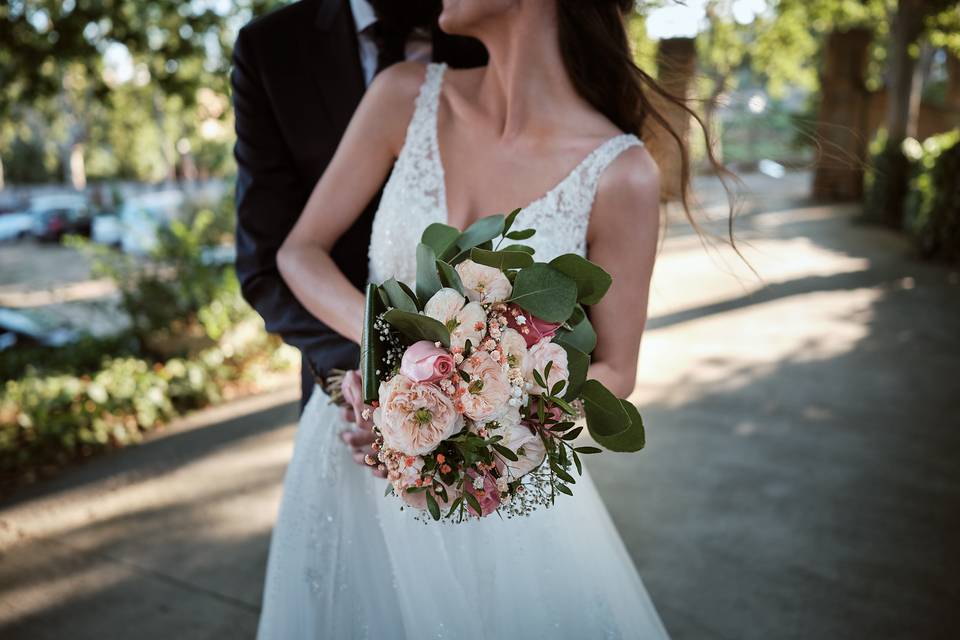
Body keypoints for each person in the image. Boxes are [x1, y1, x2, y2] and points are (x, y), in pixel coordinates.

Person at [257, 0, 727, 637]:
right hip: (347, 455)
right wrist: (383, 355)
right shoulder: (403, 96)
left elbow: (617, 369)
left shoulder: (622, 174)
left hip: (489, 486)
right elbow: (298, 251)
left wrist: (480, 428)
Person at [232, 0, 486, 412]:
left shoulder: (481, 26)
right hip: (340, 384)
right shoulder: (270, 48)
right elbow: (263, 264)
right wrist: (374, 374)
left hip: (475, 392)